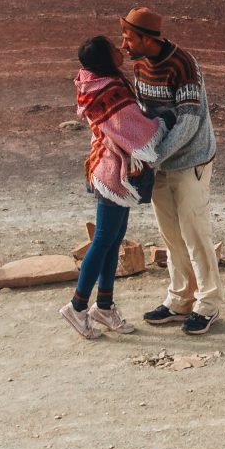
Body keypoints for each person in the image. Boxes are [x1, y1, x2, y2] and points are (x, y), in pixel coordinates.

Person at [119, 5, 220, 334]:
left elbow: (189, 123)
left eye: (129, 38)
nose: (123, 45)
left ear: (147, 40)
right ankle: (180, 299)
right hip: (160, 163)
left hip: (191, 161)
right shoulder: (140, 66)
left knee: (195, 234)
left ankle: (208, 304)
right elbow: (145, 111)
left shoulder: (182, 65)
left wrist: (153, 157)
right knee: (171, 236)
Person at [68, 35, 161, 339]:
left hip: (109, 169)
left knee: (113, 238)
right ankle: (77, 306)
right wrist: (162, 124)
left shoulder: (99, 83)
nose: (120, 50)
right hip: (111, 171)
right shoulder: (110, 91)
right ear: (105, 59)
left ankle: (104, 306)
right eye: (113, 48)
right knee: (105, 239)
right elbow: (132, 127)